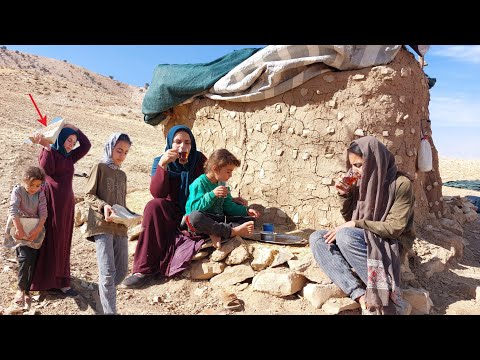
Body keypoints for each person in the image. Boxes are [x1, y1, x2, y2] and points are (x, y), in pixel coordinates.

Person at [122, 125, 247, 288]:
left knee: (221, 215)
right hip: (171, 212)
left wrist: (229, 199)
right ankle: (143, 271)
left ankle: (216, 231)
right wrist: (163, 166)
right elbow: (157, 193)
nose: (183, 147)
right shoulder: (159, 161)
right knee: (154, 206)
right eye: (178, 142)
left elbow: (212, 182)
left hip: (197, 211)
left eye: (187, 142)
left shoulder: (199, 160)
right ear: (170, 143)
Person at [309, 136, 415, 315]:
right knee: (317, 238)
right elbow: (350, 216)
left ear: (375, 161)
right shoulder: (360, 182)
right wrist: (345, 195)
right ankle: (360, 296)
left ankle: (386, 292)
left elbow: (395, 228)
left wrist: (355, 223)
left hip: (390, 242)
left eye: (359, 165)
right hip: (363, 237)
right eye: (352, 165)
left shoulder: (401, 184)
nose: (354, 171)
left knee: (345, 235)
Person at [29, 123, 91, 296]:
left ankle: (62, 281)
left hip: (66, 205)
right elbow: (46, 170)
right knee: (50, 238)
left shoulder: (70, 157)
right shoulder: (50, 152)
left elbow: (87, 145)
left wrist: (76, 129)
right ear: (60, 139)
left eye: (73, 141)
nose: (71, 144)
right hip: (50, 203)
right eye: (69, 140)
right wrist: (47, 147)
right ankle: (46, 280)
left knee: (63, 240)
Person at [83, 133, 133, 315]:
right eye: (119, 150)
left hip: (120, 226)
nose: (121, 155)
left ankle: (99, 293)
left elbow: (121, 202)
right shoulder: (100, 167)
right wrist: (103, 206)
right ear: (110, 147)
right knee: (108, 272)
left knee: (121, 271)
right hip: (101, 225)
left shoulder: (123, 175)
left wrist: (131, 216)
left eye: (126, 152)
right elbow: (88, 195)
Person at [184, 148, 259, 249]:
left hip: (216, 221)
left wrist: (246, 211)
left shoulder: (222, 184)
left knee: (250, 221)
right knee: (195, 217)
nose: (230, 175)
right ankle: (232, 232)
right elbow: (193, 208)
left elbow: (228, 207)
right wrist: (212, 195)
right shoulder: (199, 183)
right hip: (201, 222)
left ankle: (215, 232)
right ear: (215, 168)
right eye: (228, 171)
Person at [3, 166, 47, 308]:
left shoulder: (40, 194)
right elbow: (13, 209)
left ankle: (27, 290)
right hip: (19, 227)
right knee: (23, 258)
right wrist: (19, 228)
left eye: (37, 185)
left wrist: (37, 230)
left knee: (32, 259)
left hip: (34, 229)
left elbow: (43, 213)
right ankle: (21, 290)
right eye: (31, 185)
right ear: (24, 181)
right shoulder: (18, 191)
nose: (34, 188)